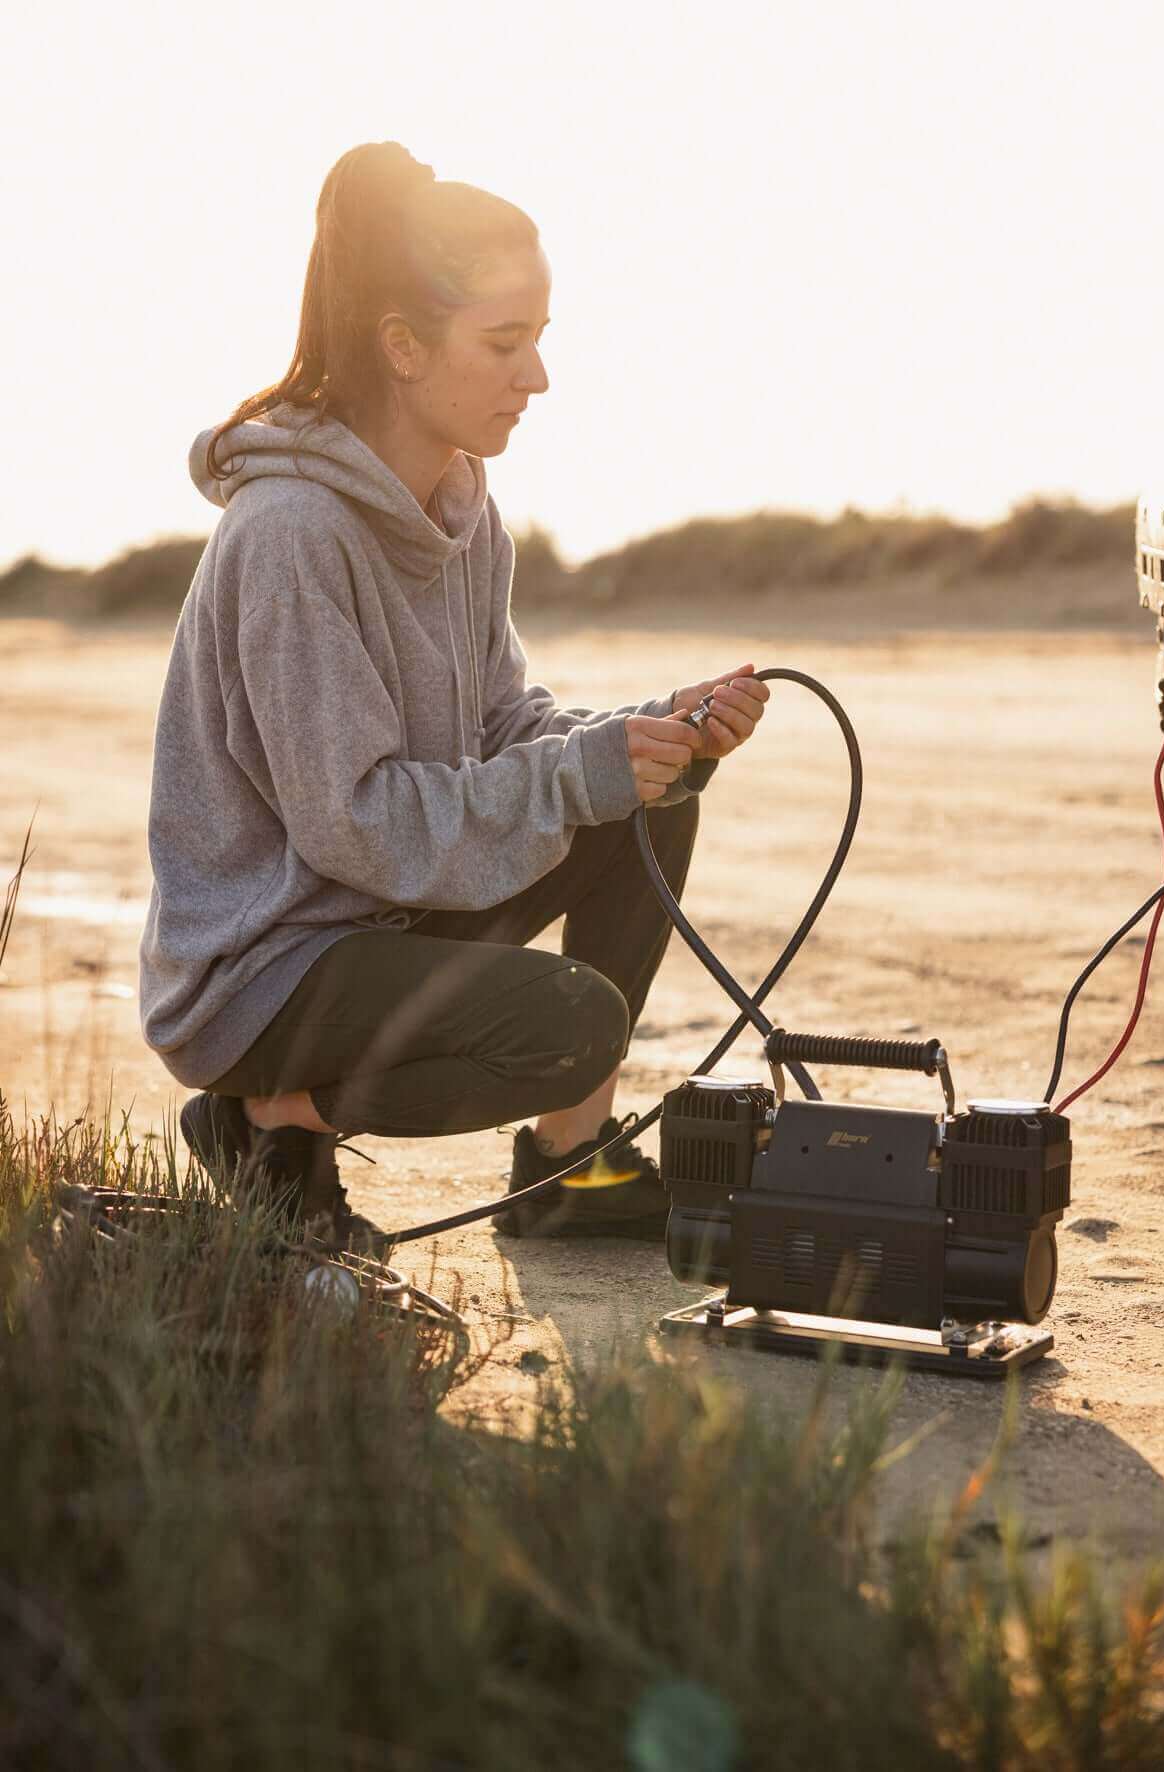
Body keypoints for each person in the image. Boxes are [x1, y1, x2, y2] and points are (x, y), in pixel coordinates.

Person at [138, 140, 769, 1250]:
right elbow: (356, 820)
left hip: (378, 916)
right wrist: (578, 772)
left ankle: (568, 1163)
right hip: (268, 970)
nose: (537, 377)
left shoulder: (464, 517)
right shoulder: (291, 534)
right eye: (505, 342)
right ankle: (271, 1121)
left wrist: (644, 731)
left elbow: (502, 730)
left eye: (540, 341)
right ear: (403, 347)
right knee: (571, 1022)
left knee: (652, 797)